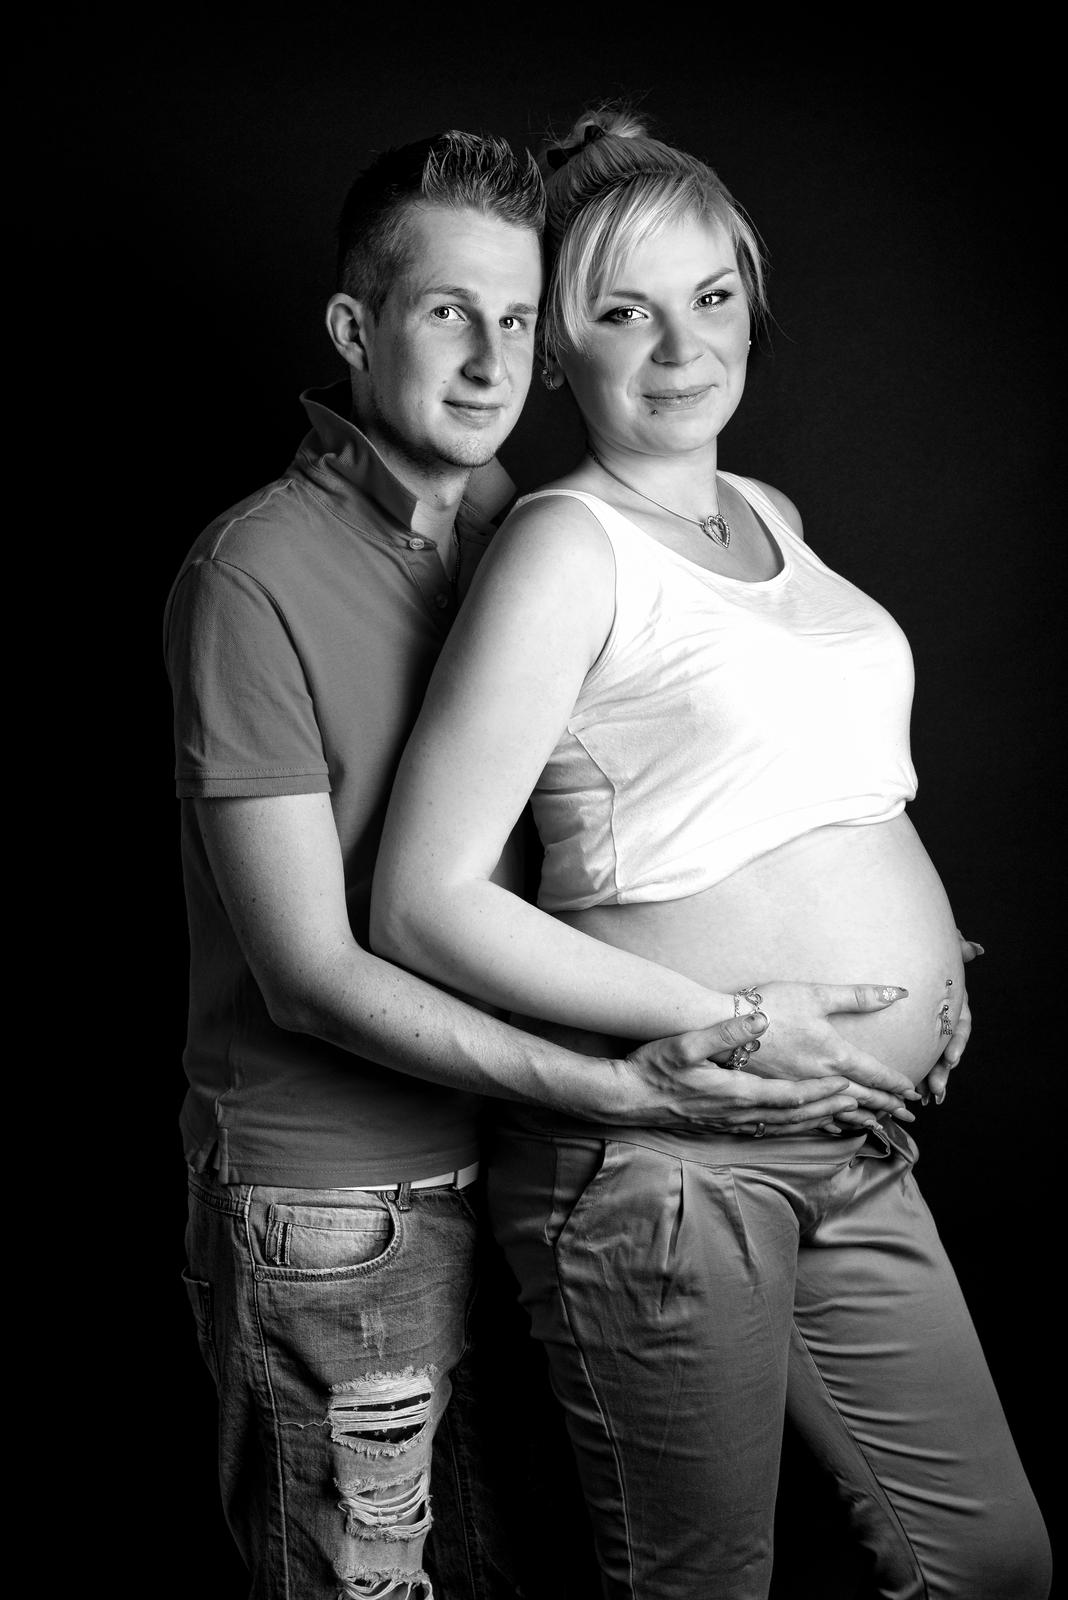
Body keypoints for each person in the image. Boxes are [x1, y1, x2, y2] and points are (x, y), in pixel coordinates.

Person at [163, 128, 929, 1600]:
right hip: (346, 1202)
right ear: (355, 330)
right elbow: (310, 973)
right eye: (449, 312)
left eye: (518, 319)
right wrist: (619, 1083)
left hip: (529, 1160)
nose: (489, 360)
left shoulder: (522, 528)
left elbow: (627, 825)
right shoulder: (250, 575)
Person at [370, 108, 1052, 1599]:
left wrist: (914, 948)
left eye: (712, 297)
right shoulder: (565, 547)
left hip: (843, 1135)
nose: (683, 348)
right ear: (559, 351)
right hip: (668, 1160)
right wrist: (742, 1016)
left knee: (989, 1564)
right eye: (625, 312)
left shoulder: (770, 518)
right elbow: (419, 903)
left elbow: (778, 781)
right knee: (700, 1586)